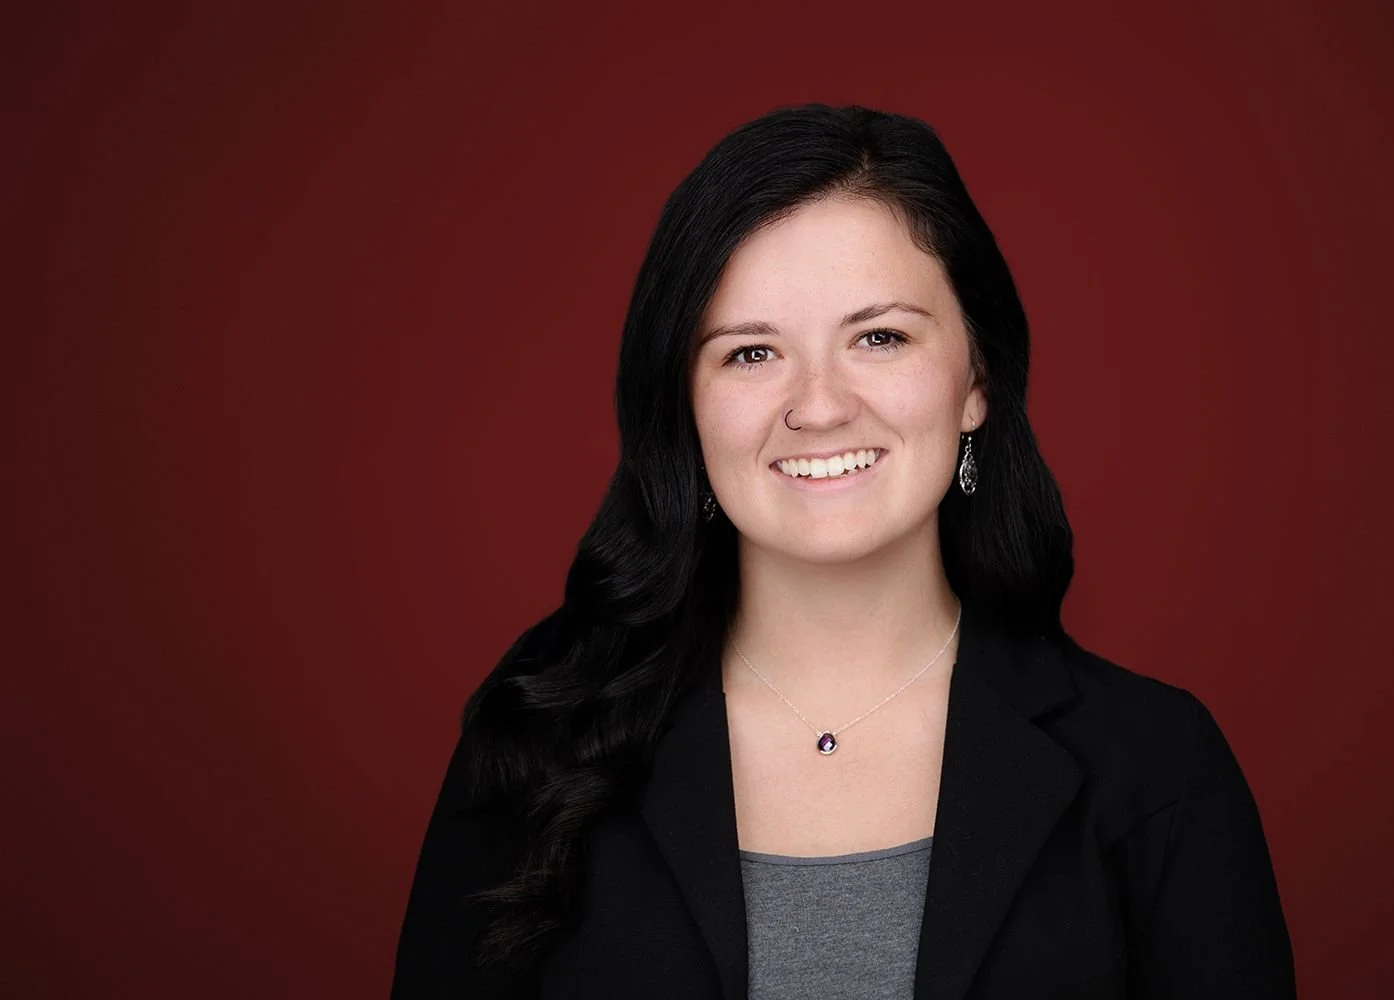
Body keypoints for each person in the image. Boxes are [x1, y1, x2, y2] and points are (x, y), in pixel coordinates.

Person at [390, 103, 1296, 999]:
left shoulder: (1157, 767)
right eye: (750, 354)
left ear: (977, 380)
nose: (818, 406)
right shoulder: (539, 742)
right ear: (684, 403)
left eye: (880, 337)